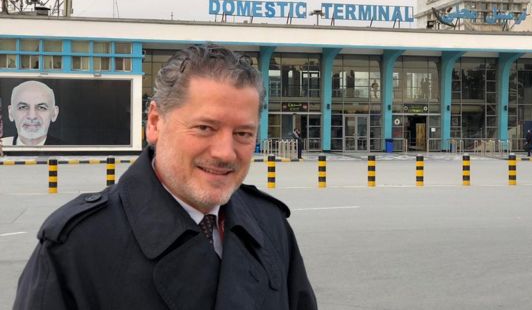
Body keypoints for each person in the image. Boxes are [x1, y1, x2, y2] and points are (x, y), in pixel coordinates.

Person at [14, 44, 317, 309]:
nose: (225, 152)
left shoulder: (270, 226)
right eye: (205, 128)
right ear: (156, 123)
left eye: (243, 133)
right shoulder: (77, 248)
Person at [1, 80, 61, 146]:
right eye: (23, 107)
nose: (32, 116)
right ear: (11, 112)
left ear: (54, 113)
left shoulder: (70, 152)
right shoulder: (3, 146)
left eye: (41, 107)